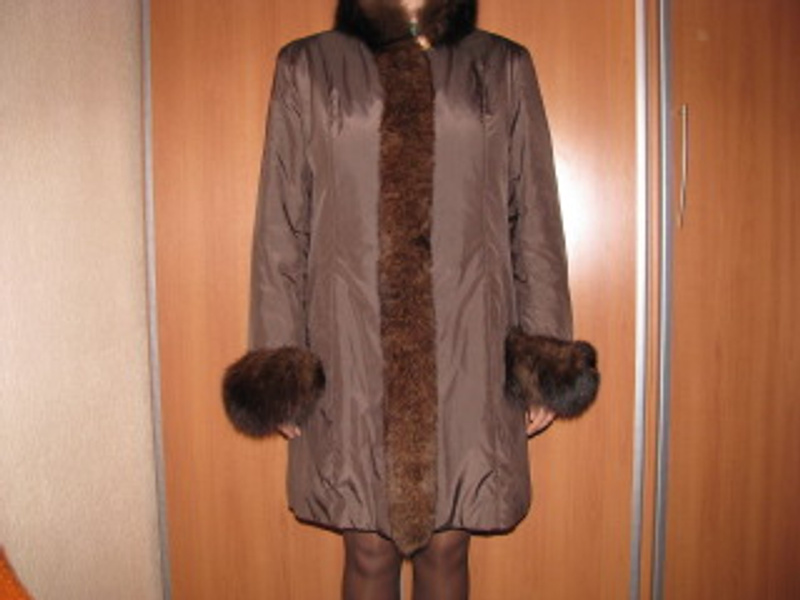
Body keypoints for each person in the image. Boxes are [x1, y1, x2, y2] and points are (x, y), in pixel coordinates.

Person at [222, 0, 599, 598]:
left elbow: (534, 219)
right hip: (350, 341)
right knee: (368, 550)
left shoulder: (500, 66)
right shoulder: (309, 67)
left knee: (447, 547)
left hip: (468, 341)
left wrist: (544, 358)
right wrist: (279, 366)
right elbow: (282, 225)